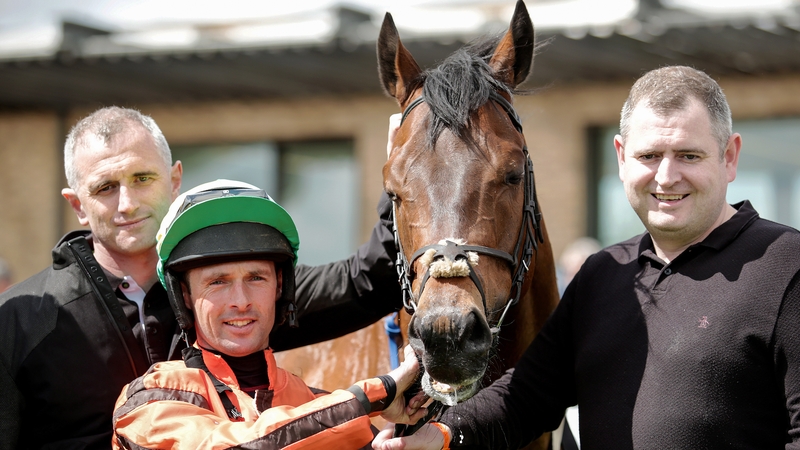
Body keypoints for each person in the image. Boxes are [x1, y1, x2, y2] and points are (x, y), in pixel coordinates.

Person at [374, 65, 800, 449]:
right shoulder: (603, 275)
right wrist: (443, 435)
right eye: (649, 156)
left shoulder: (787, 266)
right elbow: (526, 399)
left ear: (729, 157)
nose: (667, 176)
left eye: (689, 155)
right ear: (620, 158)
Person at [0, 106, 402, 449]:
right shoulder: (19, 320)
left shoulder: (238, 297)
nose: (127, 202)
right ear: (77, 204)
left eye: (143, 178)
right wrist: (378, 394)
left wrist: (401, 176)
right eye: (105, 187)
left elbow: (368, 280)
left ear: (175, 181)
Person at [112, 179, 426, 449]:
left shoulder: (317, 403)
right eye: (218, 282)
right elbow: (240, 445)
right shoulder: (148, 397)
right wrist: (374, 394)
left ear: (279, 287)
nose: (241, 300)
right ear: (185, 296)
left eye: (256, 278)